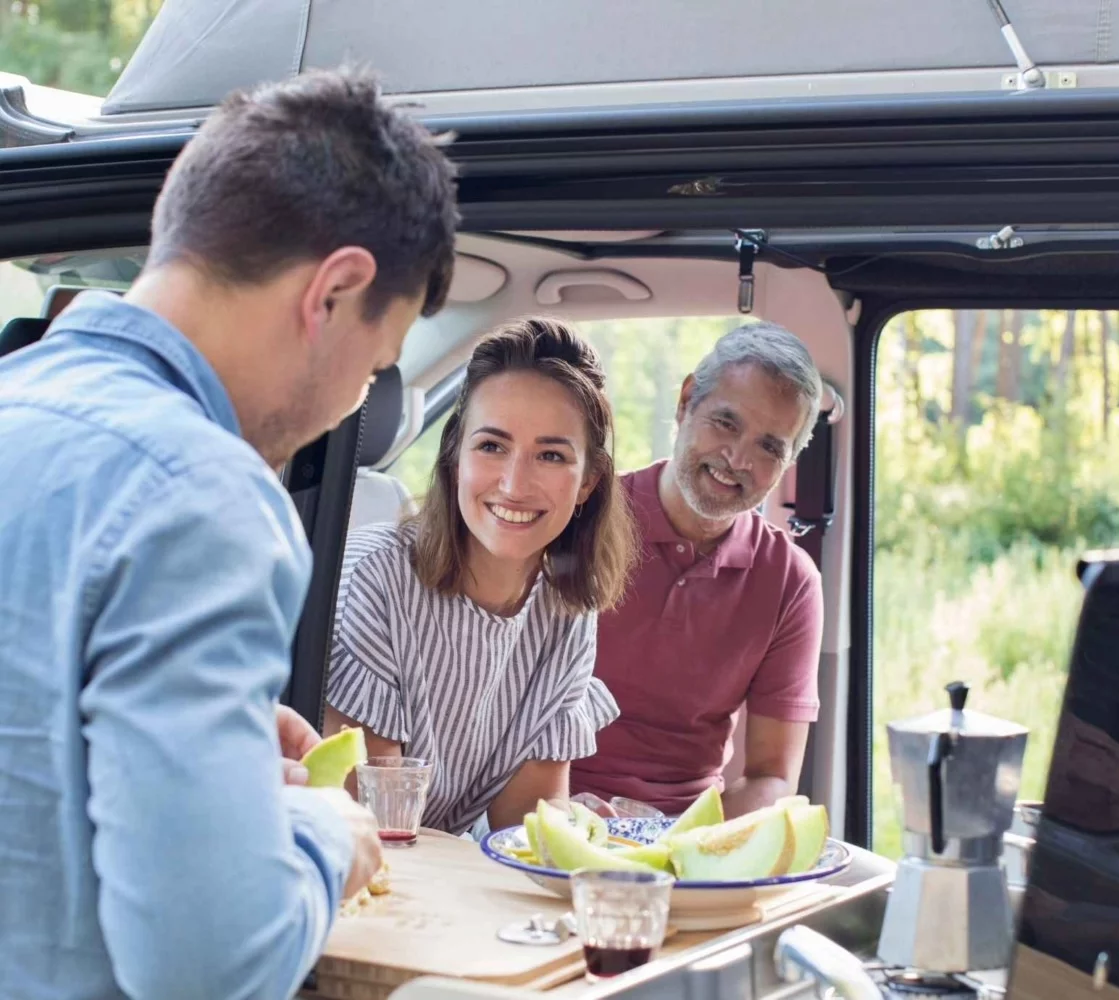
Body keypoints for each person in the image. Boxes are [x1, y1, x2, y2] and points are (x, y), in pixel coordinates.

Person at [0, 69, 457, 1000]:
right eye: (375, 365)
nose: (353, 401)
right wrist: (325, 834)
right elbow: (207, 966)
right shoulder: (204, 498)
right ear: (334, 291)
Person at [324, 317, 638, 838]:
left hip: (446, 867)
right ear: (455, 458)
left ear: (588, 482)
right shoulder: (375, 580)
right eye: (492, 446)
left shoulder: (567, 615)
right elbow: (375, 826)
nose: (514, 484)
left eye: (551, 455)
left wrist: (577, 836)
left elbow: (523, 825)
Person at [570, 322, 826, 818]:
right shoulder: (580, 517)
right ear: (687, 401)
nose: (737, 459)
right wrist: (558, 812)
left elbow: (772, 777)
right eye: (726, 423)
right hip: (550, 812)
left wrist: (684, 841)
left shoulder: (790, 581)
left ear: (790, 460)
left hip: (690, 832)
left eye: (769, 447)